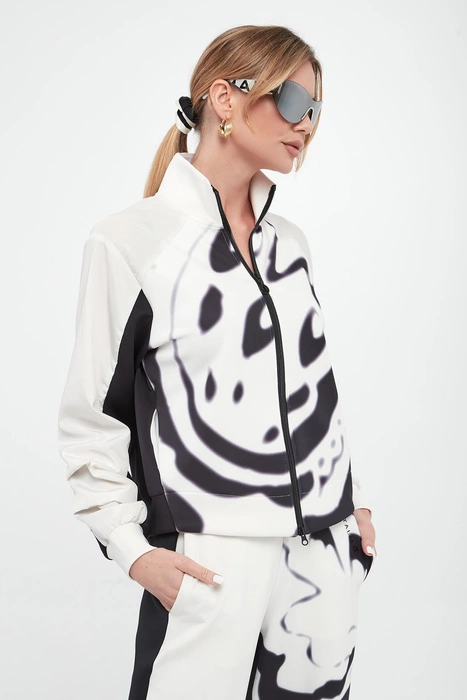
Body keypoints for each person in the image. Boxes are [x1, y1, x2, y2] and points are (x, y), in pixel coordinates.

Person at [57, 23, 376, 700]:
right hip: (211, 565)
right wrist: (134, 551)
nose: (306, 123)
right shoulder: (129, 243)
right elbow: (92, 421)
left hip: (321, 568)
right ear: (225, 99)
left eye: (316, 109)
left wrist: (348, 513)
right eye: (293, 101)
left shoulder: (291, 245)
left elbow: (311, 392)